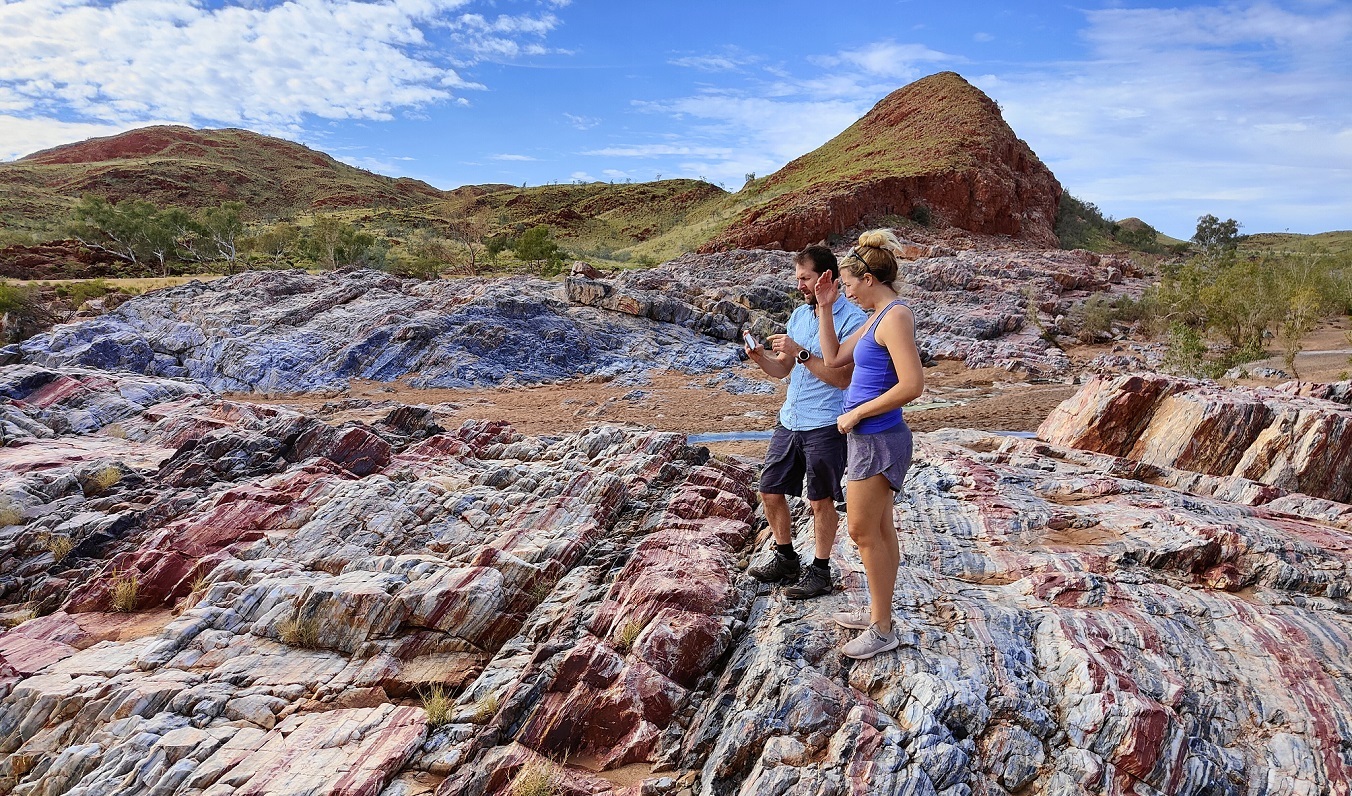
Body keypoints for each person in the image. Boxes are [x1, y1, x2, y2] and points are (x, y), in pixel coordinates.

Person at [814, 229, 924, 660]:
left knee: (861, 530)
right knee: (879, 529)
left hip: (879, 438)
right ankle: (881, 614)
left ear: (869, 280)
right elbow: (835, 356)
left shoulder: (895, 316)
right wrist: (824, 308)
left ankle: (882, 629)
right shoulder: (876, 317)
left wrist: (858, 412)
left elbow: (913, 384)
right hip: (869, 438)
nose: (847, 292)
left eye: (849, 285)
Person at [744, 245, 867, 599]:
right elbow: (783, 368)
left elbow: (842, 378)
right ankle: (785, 557)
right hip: (791, 419)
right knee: (769, 490)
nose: (799, 285)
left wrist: (800, 351)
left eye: (805, 278)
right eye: (797, 278)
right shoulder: (799, 316)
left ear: (825, 278)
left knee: (820, 500)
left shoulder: (853, 321)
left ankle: (821, 570)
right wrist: (760, 358)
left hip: (826, 424)